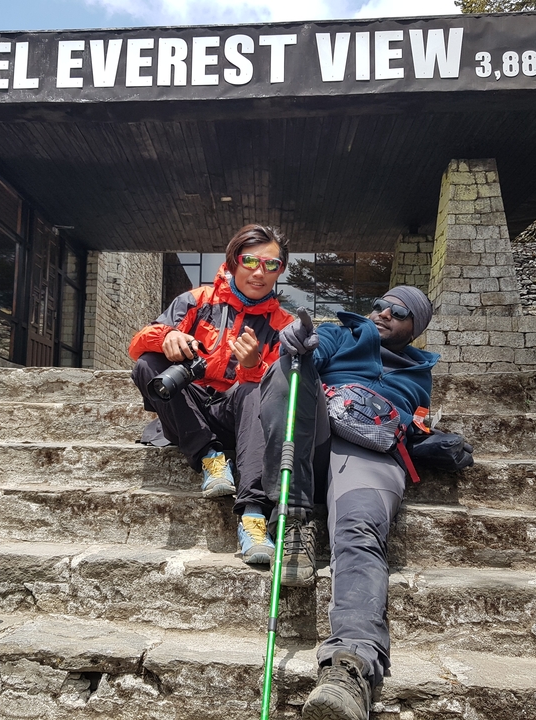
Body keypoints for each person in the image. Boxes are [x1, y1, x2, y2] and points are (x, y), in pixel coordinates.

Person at [261, 286, 439, 720]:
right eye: (379, 304)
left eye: (398, 313)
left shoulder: (420, 372)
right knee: (291, 371)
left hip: (371, 452)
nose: (382, 314)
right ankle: (296, 518)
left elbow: (413, 423)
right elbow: (308, 355)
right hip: (315, 436)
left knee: (359, 530)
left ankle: (350, 668)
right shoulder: (340, 335)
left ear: (416, 327)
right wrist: (296, 347)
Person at [129, 224, 293, 564]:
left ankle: (253, 515)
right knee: (148, 364)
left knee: (251, 388)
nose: (260, 272)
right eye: (250, 261)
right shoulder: (197, 300)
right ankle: (209, 458)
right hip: (188, 410)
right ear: (234, 261)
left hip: (241, 418)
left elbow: (284, 391)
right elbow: (138, 343)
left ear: (281, 270)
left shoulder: (284, 325)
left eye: (271, 265)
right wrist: (167, 339)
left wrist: (251, 366)